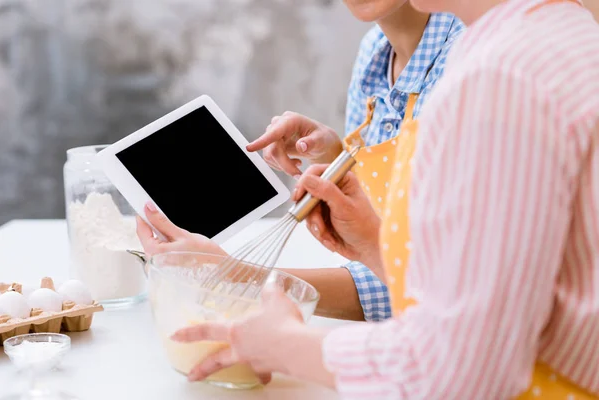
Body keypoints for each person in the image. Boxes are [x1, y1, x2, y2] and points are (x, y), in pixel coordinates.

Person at [163, 0, 599, 398]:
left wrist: (287, 346)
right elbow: (499, 292)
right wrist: (377, 245)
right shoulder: (559, 29)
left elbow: (464, 370)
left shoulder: (499, 77)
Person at [137, 1, 465, 323]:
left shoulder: (468, 67)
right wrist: (335, 157)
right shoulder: (375, 52)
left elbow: (429, 288)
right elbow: (388, 241)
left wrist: (232, 275)